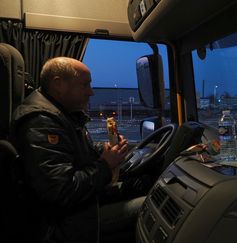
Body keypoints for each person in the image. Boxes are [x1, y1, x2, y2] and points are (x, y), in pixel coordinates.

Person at [12, 57, 145, 243]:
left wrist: (104, 150)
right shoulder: (41, 122)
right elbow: (61, 191)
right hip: (65, 225)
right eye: (85, 85)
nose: (91, 92)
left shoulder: (63, 113)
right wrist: (106, 165)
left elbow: (75, 150)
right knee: (147, 206)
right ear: (58, 84)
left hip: (79, 207)